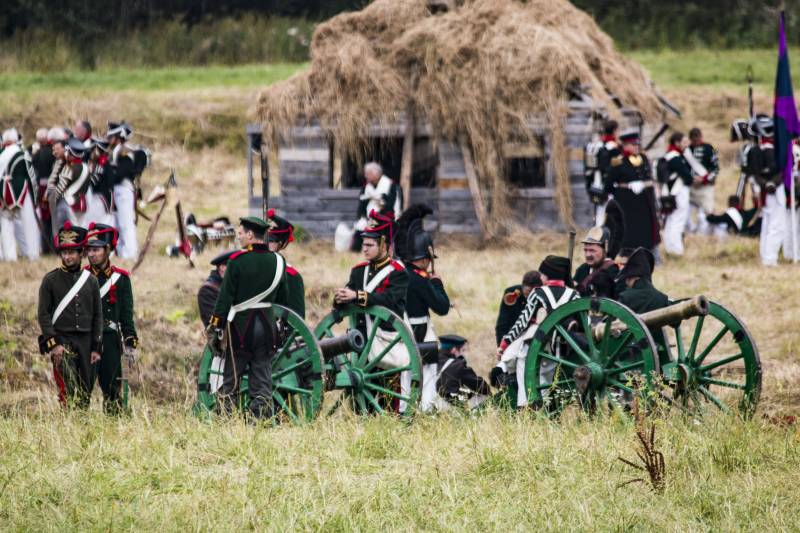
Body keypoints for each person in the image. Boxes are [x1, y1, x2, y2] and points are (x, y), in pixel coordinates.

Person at [207, 216, 290, 420]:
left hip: (241, 329)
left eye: (241, 233)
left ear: (251, 235)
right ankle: (260, 421)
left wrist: (215, 326)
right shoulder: (279, 261)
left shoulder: (236, 261)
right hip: (267, 328)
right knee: (262, 381)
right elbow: (283, 298)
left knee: (231, 380)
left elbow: (224, 299)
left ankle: (226, 421)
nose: (239, 237)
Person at [496, 255, 579, 408]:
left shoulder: (538, 293)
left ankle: (525, 405)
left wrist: (504, 343)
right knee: (545, 378)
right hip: (559, 348)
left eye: (542, 273)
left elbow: (522, 322)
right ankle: (544, 406)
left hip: (537, 343)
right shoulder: (574, 295)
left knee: (524, 366)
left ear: (546, 274)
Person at [37, 222, 103, 408]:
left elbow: (97, 315)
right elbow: (43, 314)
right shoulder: (50, 280)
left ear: (81, 253)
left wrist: (96, 347)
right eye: (64, 252)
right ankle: (69, 422)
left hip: (86, 340)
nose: (67, 256)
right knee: (68, 387)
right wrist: (53, 343)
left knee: (85, 389)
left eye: (72, 252)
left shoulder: (91, 281)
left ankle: (80, 426)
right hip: (62, 339)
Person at [393, 204, 450, 411]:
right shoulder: (420, 280)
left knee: (405, 373)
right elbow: (442, 308)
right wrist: (437, 284)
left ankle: (403, 410)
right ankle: (427, 408)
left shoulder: (399, 274)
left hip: (401, 331)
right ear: (426, 258)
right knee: (428, 372)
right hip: (420, 332)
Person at [86, 223, 138, 414]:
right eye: (89, 250)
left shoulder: (121, 279)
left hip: (110, 338)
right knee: (83, 388)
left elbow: (126, 315)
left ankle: (114, 425)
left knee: (112, 390)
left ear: (107, 250)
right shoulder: (82, 276)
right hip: (87, 338)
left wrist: (130, 342)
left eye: (96, 249)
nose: (92, 254)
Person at [606, 129, 660, 256]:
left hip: (644, 200)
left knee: (646, 229)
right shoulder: (618, 161)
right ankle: (627, 253)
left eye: (637, 144)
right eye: (633, 145)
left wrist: (644, 185)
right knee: (628, 229)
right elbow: (608, 185)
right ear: (625, 145)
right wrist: (623, 190)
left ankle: (648, 252)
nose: (637, 147)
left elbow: (649, 178)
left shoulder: (643, 158)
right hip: (627, 203)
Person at [615, 247, 670, 364]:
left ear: (633, 277)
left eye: (627, 279)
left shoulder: (625, 297)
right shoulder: (662, 298)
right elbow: (676, 323)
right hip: (657, 353)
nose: (626, 282)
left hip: (628, 356)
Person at [750, 115, 787, 266]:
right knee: (776, 226)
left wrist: (765, 184)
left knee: (768, 224)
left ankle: (766, 256)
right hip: (773, 191)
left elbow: (755, 173)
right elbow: (782, 170)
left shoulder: (754, 149)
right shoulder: (772, 150)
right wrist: (771, 183)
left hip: (765, 190)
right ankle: (770, 258)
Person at [0, 128, 40, 261]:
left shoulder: (1, 154)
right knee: (29, 224)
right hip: (22, 191)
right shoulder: (22, 154)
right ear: (16, 140)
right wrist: (35, 199)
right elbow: (31, 177)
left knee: (6, 224)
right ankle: (33, 254)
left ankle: (10, 257)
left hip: (2, 192)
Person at [658, 132, 695, 256]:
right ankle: (676, 249)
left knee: (671, 220)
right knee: (677, 220)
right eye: (684, 142)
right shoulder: (675, 157)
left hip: (670, 192)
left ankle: (670, 247)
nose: (686, 145)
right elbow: (688, 177)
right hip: (678, 191)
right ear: (677, 143)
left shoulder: (668, 155)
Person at [351, 162, 401, 252]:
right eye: (365, 174)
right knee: (360, 226)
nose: (366, 176)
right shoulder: (366, 187)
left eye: (368, 174)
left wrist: (378, 215)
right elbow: (362, 204)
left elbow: (391, 204)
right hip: (369, 217)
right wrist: (363, 216)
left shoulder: (389, 185)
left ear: (376, 174)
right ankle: (356, 249)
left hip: (386, 216)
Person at [107, 121, 138, 259]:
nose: (109, 139)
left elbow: (122, 173)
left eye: (111, 136)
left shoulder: (124, 150)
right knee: (118, 223)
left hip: (124, 189)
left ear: (118, 136)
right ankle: (121, 250)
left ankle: (130, 253)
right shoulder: (116, 150)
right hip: (116, 189)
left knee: (126, 222)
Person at [436, 334, 491, 410]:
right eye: (463, 350)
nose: (463, 354)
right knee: (481, 396)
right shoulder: (457, 365)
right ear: (454, 350)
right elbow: (480, 385)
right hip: (446, 407)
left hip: (426, 404)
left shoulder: (428, 361)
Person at [267, 209, 305, 318]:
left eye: (270, 240)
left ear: (279, 244)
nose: (264, 244)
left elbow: (296, 320)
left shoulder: (291, 276)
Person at [47, 137, 91, 229]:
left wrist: (52, 202)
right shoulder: (86, 167)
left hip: (68, 204)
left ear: (70, 153)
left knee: (68, 234)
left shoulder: (69, 167)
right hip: (82, 202)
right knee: (81, 231)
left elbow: (60, 188)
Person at [584, 119, 620, 225]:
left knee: (600, 212)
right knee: (610, 213)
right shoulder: (613, 148)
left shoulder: (596, 146)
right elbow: (616, 169)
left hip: (597, 183)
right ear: (614, 131)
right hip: (609, 185)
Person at [494, 270, 542, 345]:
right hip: (512, 336)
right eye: (528, 292)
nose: (530, 296)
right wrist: (500, 347)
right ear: (522, 286)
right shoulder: (511, 293)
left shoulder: (543, 296)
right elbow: (502, 324)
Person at [687, 128, 719, 234]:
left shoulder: (709, 148)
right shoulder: (687, 150)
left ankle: (705, 234)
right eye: (694, 139)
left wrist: (704, 179)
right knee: (686, 213)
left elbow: (715, 168)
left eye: (698, 138)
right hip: (690, 186)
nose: (696, 141)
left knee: (706, 213)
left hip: (705, 187)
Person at [573, 226, 620, 298]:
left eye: (592, 250)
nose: (587, 254)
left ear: (605, 249)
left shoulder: (613, 270)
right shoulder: (582, 269)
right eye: (585, 250)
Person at [198, 250, 235, 328]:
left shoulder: (232, 284)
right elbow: (212, 322)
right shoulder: (207, 290)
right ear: (222, 267)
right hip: (221, 338)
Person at [86, 137, 114, 226]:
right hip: (97, 198)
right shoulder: (99, 163)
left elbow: (93, 182)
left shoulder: (101, 164)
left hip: (100, 198)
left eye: (92, 150)